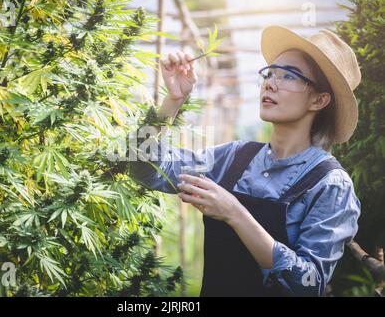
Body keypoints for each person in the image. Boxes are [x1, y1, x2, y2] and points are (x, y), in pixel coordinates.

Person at [129, 25, 362, 296]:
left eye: (289, 75)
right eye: (270, 72)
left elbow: (309, 285)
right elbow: (145, 170)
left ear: (319, 100)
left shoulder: (329, 184)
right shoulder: (234, 157)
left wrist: (235, 213)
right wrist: (173, 101)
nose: (270, 83)